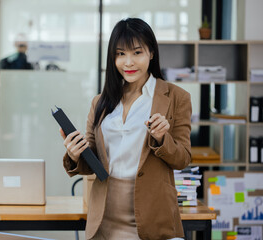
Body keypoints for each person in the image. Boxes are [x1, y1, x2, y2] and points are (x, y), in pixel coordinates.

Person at [60, 18, 192, 240]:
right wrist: (74, 154)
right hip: (104, 218)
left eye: (137, 53)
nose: (128, 62)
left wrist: (162, 139)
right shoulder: (100, 102)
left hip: (153, 216)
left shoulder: (176, 97)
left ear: (151, 53)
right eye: (120, 54)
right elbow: (92, 160)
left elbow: (183, 158)